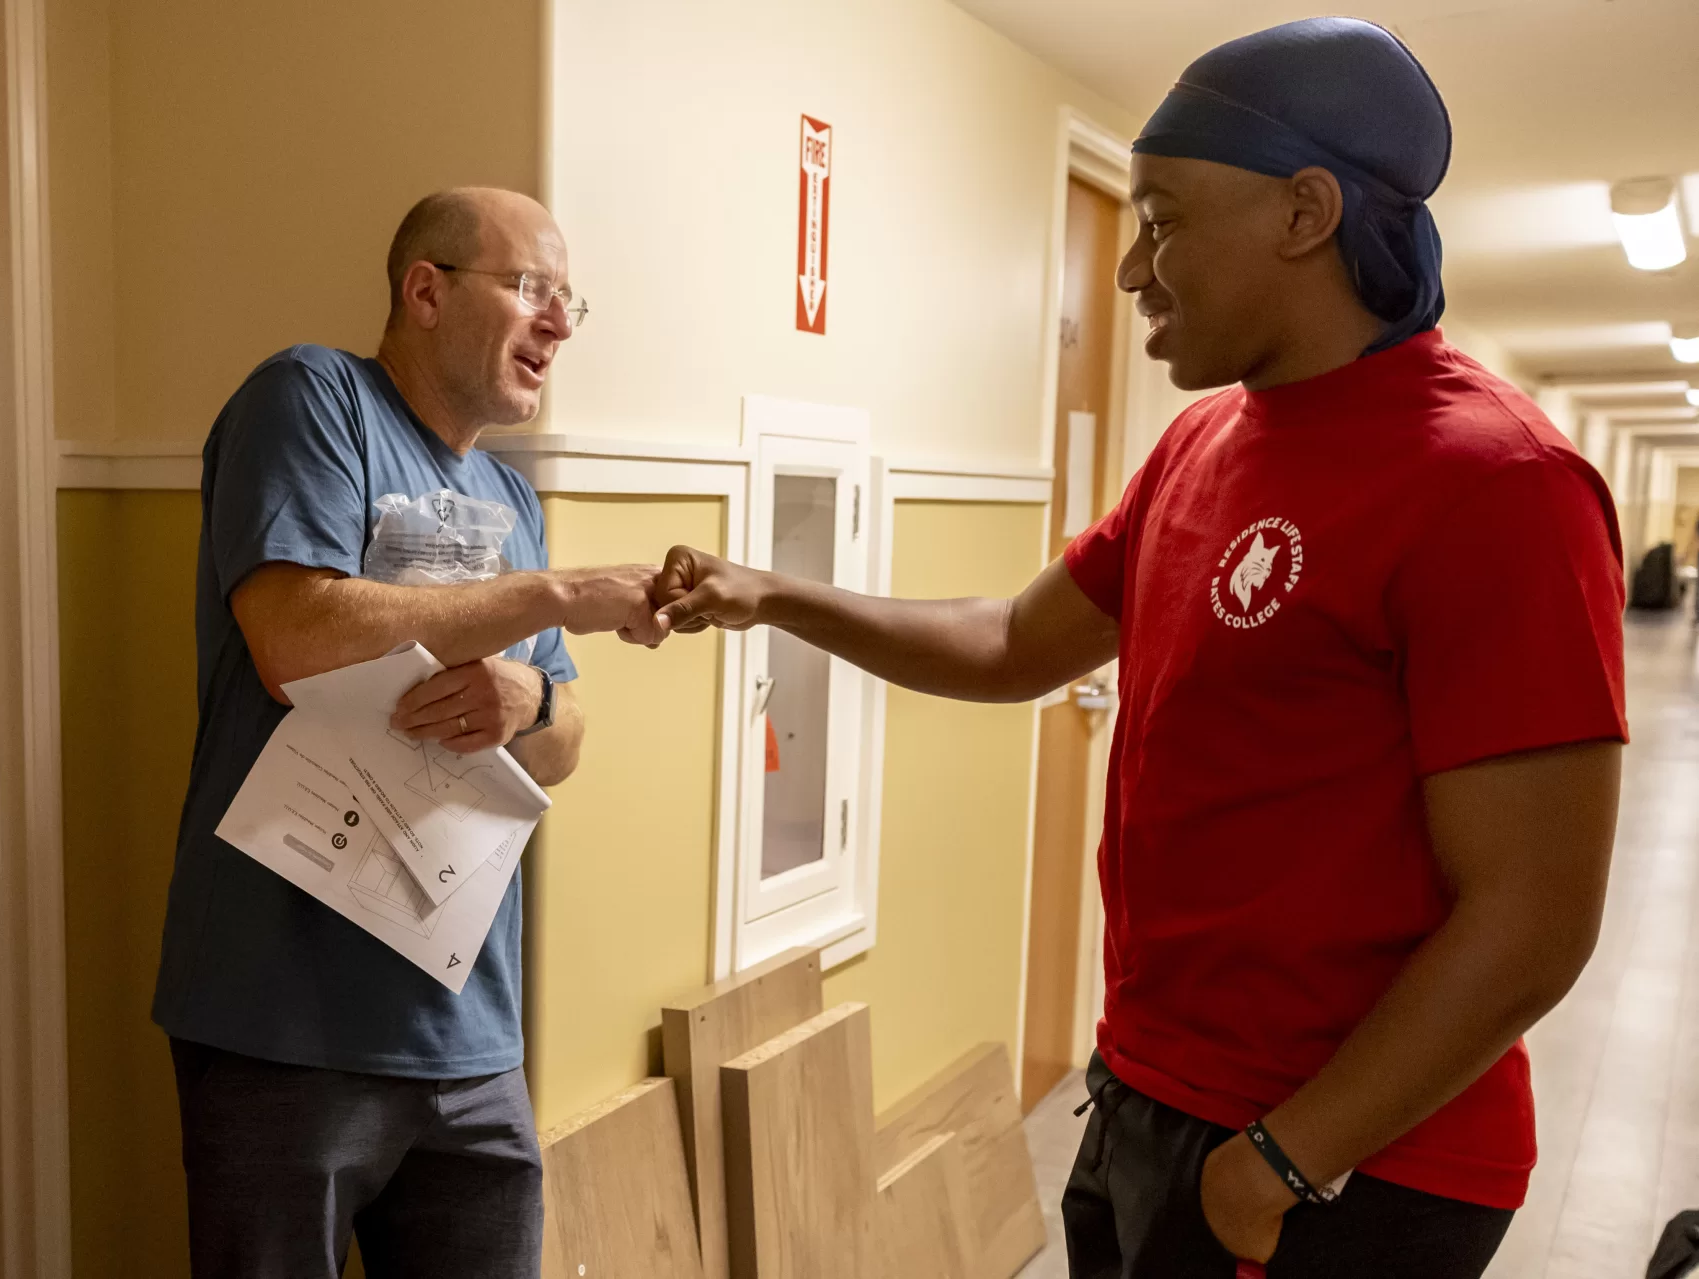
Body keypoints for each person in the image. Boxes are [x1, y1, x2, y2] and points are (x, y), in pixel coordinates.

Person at [644, 19, 1626, 1278]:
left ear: (1302, 213)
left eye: (1159, 218)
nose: (1127, 272)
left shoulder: (1496, 486)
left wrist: (1276, 1164)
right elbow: (1008, 640)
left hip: (1348, 1163)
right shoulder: (1203, 443)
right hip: (1151, 1096)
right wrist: (774, 592)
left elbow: (1533, 919)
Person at [152, 187, 663, 1279]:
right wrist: (560, 595)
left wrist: (528, 703)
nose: (560, 323)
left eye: (571, 299)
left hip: (469, 1028)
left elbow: (563, 737)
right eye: (532, 289)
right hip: (282, 1024)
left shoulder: (508, 496)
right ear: (423, 290)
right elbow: (295, 638)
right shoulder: (311, 399)